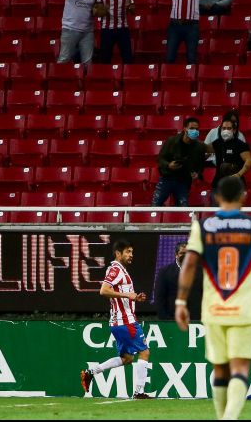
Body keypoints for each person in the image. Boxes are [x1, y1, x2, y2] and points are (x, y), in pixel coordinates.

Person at [175, 176, 251, 420]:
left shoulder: (203, 226)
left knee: (220, 369)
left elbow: (188, 265)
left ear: (216, 197)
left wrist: (181, 302)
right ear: (244, 196)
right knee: (240, 368)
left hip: (214, 307)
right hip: (243, 308)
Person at [80, 239, 152, 399]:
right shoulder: (116, 269)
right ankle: (139, 392)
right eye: (128, 252)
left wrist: (134, 298)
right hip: (125, 321)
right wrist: (128, 295)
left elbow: (119, 294)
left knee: (126, 358)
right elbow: (104, 290)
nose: (131, 255)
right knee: (144, 352)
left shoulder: (121, 270)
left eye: (132, 252)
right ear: (118, 253)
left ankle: (90, 373)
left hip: (118, 322)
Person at [47, 0, 101, 65]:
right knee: (64, 59)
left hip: (87, 31)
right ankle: (59, 80)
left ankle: (86, 80)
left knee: (88, 62)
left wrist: (97, 10)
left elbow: (99, 6)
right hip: (70, 29)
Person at [151, 117, 207, 207]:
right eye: (192, 128)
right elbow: (160, 159)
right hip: (167, 178)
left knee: (183, 209)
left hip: (183, 181)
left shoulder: (200, 147)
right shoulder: (171, 141)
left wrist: (197, 174)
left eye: (197, 129)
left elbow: (200, 166)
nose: (195, 131)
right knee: (155, 206)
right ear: (185, 129)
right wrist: (169, 165)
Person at [95, 0, 135, 64]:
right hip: (107, 29)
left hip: (123, 29)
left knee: (127, 59)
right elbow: (98, 13)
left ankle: (126, 78)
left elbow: (133, 11)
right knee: (105, 59)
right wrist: (105, 9)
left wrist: (130, 7)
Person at [154, 241, 202, 321]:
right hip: (172, 320)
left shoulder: (201, 271)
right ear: (176, 255)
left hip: (197, 319)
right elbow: (159, 298)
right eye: (182, 253)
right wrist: (165, 321)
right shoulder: (164, 272)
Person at [207, 117, 251, 200]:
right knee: (215, 211)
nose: (226, 130)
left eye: (229, 128)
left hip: (235, 184)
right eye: (224, 128)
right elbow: (204, 150)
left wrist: (238, 174)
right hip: (218, 183)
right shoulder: (217, 143)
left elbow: (249, 161)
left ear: (234, 130)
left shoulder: (240, 145)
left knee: (234, 210)